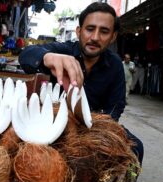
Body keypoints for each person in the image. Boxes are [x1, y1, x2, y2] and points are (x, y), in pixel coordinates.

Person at [18, 2, 143, 164]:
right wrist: (48, 57)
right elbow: (26, 55)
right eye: (90, 29)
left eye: (104, 31)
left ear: (113, 37)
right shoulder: (63, 51)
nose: (95, 37)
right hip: (53, 123)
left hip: (93, 127)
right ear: (79, 31)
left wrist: (100, 130)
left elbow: (116, 106)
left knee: (136, 148)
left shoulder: (115, 65)